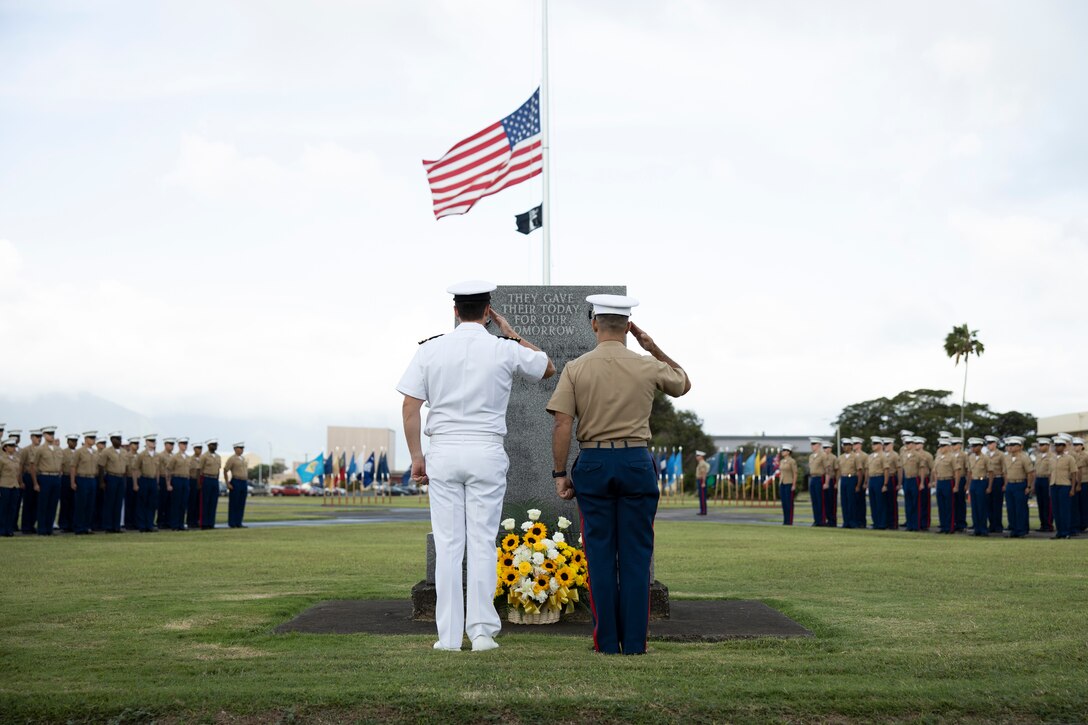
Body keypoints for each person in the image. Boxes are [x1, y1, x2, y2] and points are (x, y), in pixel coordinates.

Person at [399, 280, 554, 653]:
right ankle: (482, 632)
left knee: (449, 545)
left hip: (445, 450)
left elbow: (410, 406)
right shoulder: (502, 348)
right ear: (488, 312)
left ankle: (449, 637)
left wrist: (417, 458)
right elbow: (547, 368)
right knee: (483, 542)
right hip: (485, 450)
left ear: (455, 311)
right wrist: (512, 334)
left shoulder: (431, 350)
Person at [548, 293, 688, 655]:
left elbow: (563, 422)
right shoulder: (645, 364)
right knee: (636, 556)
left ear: (594, 324)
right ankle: (636, 644)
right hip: (636, 462)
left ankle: (607, 642)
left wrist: (560, 473)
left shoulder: (576, 368)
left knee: (599, 556)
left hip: (594, 463)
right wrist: (653, 347)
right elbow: (683, 382)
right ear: (628, 327)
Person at [31, 426, 64, 535]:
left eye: (52, 434)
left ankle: (49, 528)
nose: (51, 436)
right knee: (43, 504)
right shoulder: (40, 449)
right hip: (45, 476)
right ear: (44, 435)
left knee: (53, 504)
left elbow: (62, 464)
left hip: (56, 477)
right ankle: (42, 528)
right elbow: (33, 466)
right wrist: (35, 482)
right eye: (49, 434)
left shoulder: (58, 449)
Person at [1003, 437, 1034, 538]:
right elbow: (1006, 473)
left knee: (1020, 508)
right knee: (1011, 509)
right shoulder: (1006, 458)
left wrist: (1028, 486)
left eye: (1013, 445)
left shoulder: (1024, 457)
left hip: (1020, 484)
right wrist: (1006, 484)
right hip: (1010, 485)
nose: (1011, 447)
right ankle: (1014, 530)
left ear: (1020, 447)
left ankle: (1021, 530)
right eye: (1010, 445)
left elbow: (1030, 473)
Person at [71, 431, 100, 535]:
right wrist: (73, 481)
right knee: (81, 504)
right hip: (82, 478)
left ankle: (87, 526)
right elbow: (73, 466)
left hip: (92, 479)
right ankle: (79, 527)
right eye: (91, 438)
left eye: (94, 438)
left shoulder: (95, 452)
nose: (93, 440)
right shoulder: (79, 452)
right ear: (86, 439)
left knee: (90, 504)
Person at [1049, 436, 1077, 539]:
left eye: (1059, 445)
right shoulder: (1052, 458)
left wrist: (1073, 488)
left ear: (1064, 446)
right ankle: (1059, 532)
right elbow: (1050, 473)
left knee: (1064, 510)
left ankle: (1066, 532)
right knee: (1056, 510)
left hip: (1065, 485)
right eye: (1056, 445)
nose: (1057, 447)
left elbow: (1074, 473)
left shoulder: (1069, 458)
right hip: (1054, 485)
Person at [100, 432, 127, 533]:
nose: (119, 441)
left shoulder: (124, 452)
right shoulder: (106, 451)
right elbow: (101, 466)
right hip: (111, 477)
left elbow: (126, 467)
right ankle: (108, 526)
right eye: (117, 439)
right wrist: (102, 481)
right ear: (112, 440)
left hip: (121, 478)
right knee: (109, 503)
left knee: (118, 503)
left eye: (120, 439)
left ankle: (116, 526)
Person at [133, 434, 159, 533]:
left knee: (151, 504)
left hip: (152, 481)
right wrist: (135, 484)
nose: (153, 443)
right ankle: (142, 525)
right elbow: (135, 469)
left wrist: (156, 483)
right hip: (144, 479)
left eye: (154, 441)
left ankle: (150, 524)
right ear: (147, 442)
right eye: (151, 441)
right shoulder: (141, 455)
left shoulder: (157, 456)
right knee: (142, 503)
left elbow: (157, 470)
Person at [19, 429, 43, 534]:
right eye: (37, 437)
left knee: (37, 503)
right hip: (28, 477)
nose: (39, 439)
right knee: (28, 502)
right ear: (32, 438)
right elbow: (21, 466)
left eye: (40, 437)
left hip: (40, 476)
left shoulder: (42, 450)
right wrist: (20, 481)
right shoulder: (26, 450)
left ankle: (32, 524)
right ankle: (26, 526)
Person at [166, 437, 191, 531]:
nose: (184, 445)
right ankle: (174, 524)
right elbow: (168, 470)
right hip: (177, 478)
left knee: (183, 503)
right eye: (183, 444)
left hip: (185, 479)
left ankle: (181, 524)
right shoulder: (174, 457)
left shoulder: (188, 458)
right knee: (176, 503)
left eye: (186, 444)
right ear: (179, 445)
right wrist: (168, 484)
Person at [899, 435, 922, 532]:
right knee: (908, 503)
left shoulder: (917, 455)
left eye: (908, 443)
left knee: (915, 503)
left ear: (913, 444)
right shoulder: (903, 455)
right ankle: (909, 524)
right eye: (905, 443)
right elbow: (901, 469)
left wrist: (921, 482)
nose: (906, 445)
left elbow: (921, 468)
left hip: (914, 479)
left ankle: (915, 525)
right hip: (907, 479)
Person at [966, 438, 989, 536]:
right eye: (972, 446)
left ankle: (983, 529)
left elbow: (990, 472)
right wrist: (968, 485)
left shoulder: (985, 458)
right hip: (974, 482)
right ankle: (976, 529)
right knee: (974, 507)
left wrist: (989, 486)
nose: (972, 448)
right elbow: (970, 472)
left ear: (980, 446)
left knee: (981, 507)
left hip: (982, 481)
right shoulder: (970, 457)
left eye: (975, 446)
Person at [837, 437, 861, 529]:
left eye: (847, 445)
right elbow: (839, 470)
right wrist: (837, 482)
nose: (845, 447)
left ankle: (853, 521)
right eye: (844, 445)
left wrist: (858, 485)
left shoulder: (855, 456)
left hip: (852, 478)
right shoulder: (841, 457)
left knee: (852, 501)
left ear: (851, 446)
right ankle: (846, 521)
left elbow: (859, 471)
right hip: (843, 478)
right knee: (844, 501)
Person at [198, 440, 222, 529]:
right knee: (205, 502)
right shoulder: (204, 456)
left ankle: (211, 523)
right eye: (213, 445)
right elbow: (200, 470)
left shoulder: (218, 457)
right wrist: (200, 482)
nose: (215, 447)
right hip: (206, 478)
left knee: (213, 502)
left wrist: (217, 479)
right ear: (208, 446)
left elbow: (218, 469)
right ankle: (204, 523)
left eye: (216, 445)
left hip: (214, 479)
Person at [933, 438, 955, 534]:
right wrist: (936, 481)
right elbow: (935, 470)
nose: (941, 448)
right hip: (940, 482)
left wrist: (956, 485)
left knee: (949, 505)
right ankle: (943, 526)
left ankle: (949, 527)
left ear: (947, 447)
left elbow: (956, 471)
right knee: (941, 506)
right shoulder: (938, 457)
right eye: (940, 446)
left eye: (942, 446)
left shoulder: (952, 457)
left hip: (948, 480)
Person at [866, 437, 889, 529]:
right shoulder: (870, 456)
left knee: (880, 503)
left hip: (879, 478)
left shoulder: (883, 456)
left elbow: (886, 470)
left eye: (875, 444)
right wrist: (867, 482)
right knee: (873, 503)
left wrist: (885, 484)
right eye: (873, 444)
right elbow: (868, 470)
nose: (873, 446)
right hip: (872, 479)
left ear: (880, 445)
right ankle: (875, 522)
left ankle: (882, 523)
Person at [224, 442, 249, 528]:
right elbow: (225, 470)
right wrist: (227, 483)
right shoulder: (232, 459)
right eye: (240, 448)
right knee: (234, 503)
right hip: (236, 480)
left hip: (244, 482)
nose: (241, 450)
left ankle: (239, 522)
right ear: (235, 449)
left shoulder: (243, 459)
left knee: (241, 503)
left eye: (242, 448)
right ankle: (232, 522)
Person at [58, 433, 79, 532]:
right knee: (65, 502)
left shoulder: (79, 452)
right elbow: (61, 465)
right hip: (66, 477)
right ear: (67, 442)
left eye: (75, 441)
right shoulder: (63, 452)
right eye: (72, 441)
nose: (74, 443)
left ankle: (73, 523)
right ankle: (64, 524)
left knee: (75, 503)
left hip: (77, 477)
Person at [985, 435, 1006, 533]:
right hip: (988, 480)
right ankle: (991, 524)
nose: (989, 445)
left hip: (997, 479)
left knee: (997, 504)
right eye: (988, 443)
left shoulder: (1001, 455)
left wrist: (1005, 484)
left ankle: (998, 525)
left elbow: (1004, 470)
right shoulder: (986, 455)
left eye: (991, 443)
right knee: (988, 504)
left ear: (995, 444)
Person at [0, 438, 21, 536]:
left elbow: (18, 473)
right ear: (5, 448)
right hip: (4, 485)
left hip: (14, 486)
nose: (13, 448)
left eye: (14, 446)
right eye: (11, 446)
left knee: (12, 508)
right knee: (3, 508)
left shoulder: (16, 459)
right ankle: (2, 529)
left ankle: (9, 529)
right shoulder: (1, 459)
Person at [806, 438, 829, 526]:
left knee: (820, 500)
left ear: (819, 445)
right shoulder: (811, 456)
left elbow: (827, 469)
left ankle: (822, 520)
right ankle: (816, 520)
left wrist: (826, 483)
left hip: (820, 478)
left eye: (814, 444)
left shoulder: (823, 455)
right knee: (814, 500)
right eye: (811, 444)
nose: (812, 446)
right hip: (813, 478)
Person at [1034, 438, 1054, 533]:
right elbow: (1035, 470)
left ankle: (1048, 524)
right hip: (1039, 479)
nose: (1040, 447)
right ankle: (1043, 524)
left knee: (1047, 503)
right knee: (1040, 503)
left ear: (1048, 446)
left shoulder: (1052, 456)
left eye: (1042, 445)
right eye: (1040, 445)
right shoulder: (1038, 456)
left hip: (1047, 480)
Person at [950, 437, 968, 533]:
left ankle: (961, 523)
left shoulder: (964, 455)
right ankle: (954, 522)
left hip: (961, 479)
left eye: (955, 444)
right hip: (951, 479)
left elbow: (968, 469)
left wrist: (967, 484)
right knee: (953, 502)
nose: (953, 446)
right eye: (952, 444)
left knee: (960, 502)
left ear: (960, 445)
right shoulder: (950, 455)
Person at [156, 437, 175, 529]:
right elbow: (158, 469)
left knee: (170, 502)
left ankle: (168, 520)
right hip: (163, 479)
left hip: (172, 479)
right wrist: (158, 482)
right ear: (165, 445)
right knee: (162, 502)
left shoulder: (173, 456)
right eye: (170, 444)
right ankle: (160, 521)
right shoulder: (161, 455)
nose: (171, 446)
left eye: (172, 444)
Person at [850, 437, 868, 529]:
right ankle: (854, 520)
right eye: (853, 443)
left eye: (856, 443)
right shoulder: (851, 455)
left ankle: (862, 521)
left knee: (861, 502)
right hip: (852, 478)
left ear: (860, 444)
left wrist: (865, 482)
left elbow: (866, 470)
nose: (854, 445)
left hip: (861, 478)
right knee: (853, 502)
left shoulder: (864, 456)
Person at [778, 444, 798, 525]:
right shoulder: (782, 461)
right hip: (782, 483)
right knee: (784, 503)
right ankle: (785, 520)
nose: (782, 452)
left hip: (789, 483)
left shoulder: (792, 461)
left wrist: (794, 484)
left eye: (784, 450)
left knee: (789, 502)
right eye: (782, 450)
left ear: (788, 452)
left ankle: (789, 520)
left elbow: (795, 473)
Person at [123, 437, 140, 530]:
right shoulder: (127, 456)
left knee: (138, 503)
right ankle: (128, 523)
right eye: (134, 444)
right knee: (129, 502)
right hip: (129, 479)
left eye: (137, 444)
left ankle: (136, 522)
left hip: (139, 478)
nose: (136, 446)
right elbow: (125, 469)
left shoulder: (139, 456)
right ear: (130, 445)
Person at [187, 442, 203, 529]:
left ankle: (197, 520)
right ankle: (190, 521)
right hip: (192, 481)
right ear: (194, 449)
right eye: (197, 448)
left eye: (200, 448)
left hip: (200, 481)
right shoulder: (190, 459)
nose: (199, 450)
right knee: (192, 502)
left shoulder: (202, 459)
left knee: (198, 503)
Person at [822, 441, 838, 526]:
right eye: (824, 448)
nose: (825, 450)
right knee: (825, 502)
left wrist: (836, 482)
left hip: (831, 480)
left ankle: (832, 520)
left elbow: (836, 470)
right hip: (822, 480)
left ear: (830, 449)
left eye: (827, 448)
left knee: (831, 501)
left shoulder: (833, 458)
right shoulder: (822, 457)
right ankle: (827, 519)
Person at [1073, 438, 1088, 533]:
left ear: (1082, 446)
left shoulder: (1086, 455)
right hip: (1075, 482)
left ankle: (1085, 524)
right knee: (1076, 505)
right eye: (1074, 445)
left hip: (1085, 481)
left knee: (1084, 504)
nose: (1076, 447)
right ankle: (1078, 524)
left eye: (1078, 445)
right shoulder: (1072, 456)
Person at [694, 451, 709, 515]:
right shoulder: (701, 463)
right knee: (701, 496)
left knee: (702, 496)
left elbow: (703, 473)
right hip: (700, 480)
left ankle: (703, 511)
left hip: (701, 480)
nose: (696, 457)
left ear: (701, 456)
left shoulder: (702, 463)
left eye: (698, 456)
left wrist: (703, 482)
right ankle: (702, 510)